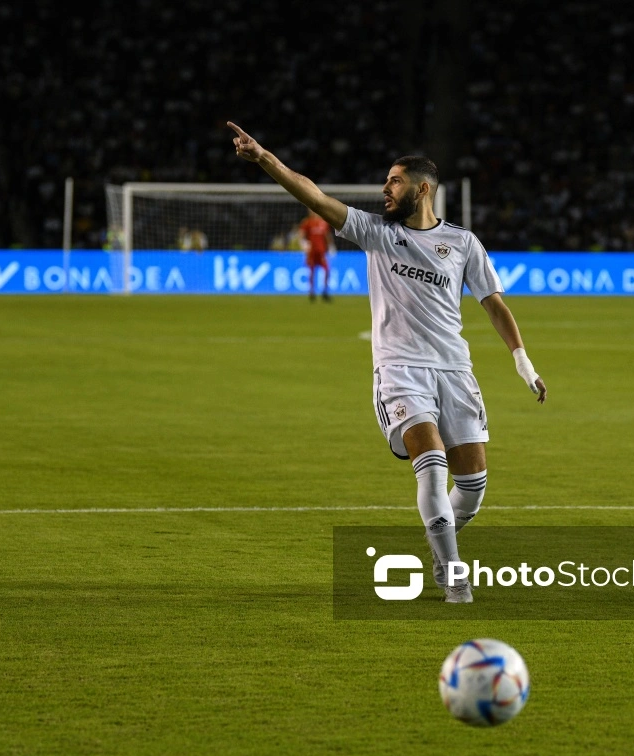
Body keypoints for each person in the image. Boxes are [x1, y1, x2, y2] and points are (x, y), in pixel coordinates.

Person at [226, 121, 547, 603]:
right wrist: (266, 159)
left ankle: (438, 537)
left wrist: (522, 362)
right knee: (432, 466)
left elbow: (494, 304)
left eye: (394, 180)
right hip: (400, 371)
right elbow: (315, 197)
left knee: (473, 487)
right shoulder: (375, 232)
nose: (384, 188)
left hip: (456, 371)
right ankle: (453, 575)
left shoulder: (463, 244)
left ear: (422, 189)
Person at [298, 209, 334, 301]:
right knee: (311, 271)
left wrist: (331, 246)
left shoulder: (323, 222)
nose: (313, 212)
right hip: (312, 252)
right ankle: (311, 292)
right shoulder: (307, 222)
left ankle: (325, 291)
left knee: (327, 270)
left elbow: (327, 235)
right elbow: (301, 235)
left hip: (321, 252)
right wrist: (303, 244)